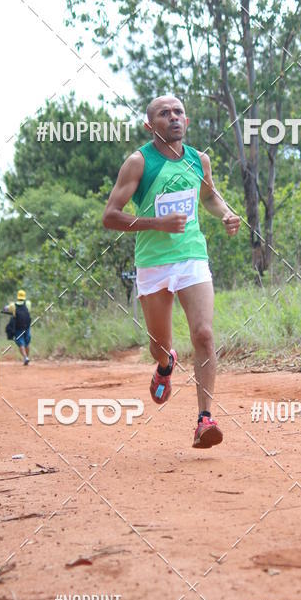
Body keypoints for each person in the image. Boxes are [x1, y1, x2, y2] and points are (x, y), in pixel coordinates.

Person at [102, 94, 240, 449]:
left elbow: (208, 196)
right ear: (150, 125)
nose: (173, 117)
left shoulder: (198, 159)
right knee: (159, 345)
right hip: (153, 262)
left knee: (204, 334)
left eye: (179, 112)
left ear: (187, 121)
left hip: (192, 256)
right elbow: (110, 216)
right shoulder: (138, 163)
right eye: (164, 114)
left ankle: (205, 419)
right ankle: (165, 364)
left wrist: (225, 213)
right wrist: (157, 223)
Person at [2, 290, 32, 365]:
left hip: (18, 328)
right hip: (27, 326)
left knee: (21, 343)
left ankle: (25, 357)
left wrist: (6, 308)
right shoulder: (28, 303)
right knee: (27, 343)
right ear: (24, 297)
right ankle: (27, 358)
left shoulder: (13, 305)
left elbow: (5, 309)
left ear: (17, 297)